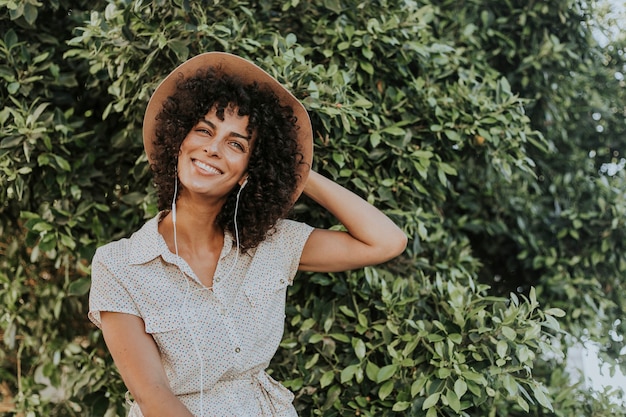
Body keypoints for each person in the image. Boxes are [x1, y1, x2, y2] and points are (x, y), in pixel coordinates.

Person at [88, 52, 407, 417]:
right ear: (178, 140)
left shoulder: (271, 245)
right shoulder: (120, 264)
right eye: (204, 130)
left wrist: (295, 170)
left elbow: (386, 240)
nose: (212, 148)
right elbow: (153, 396)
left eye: (236, 144)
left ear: (248, 172)